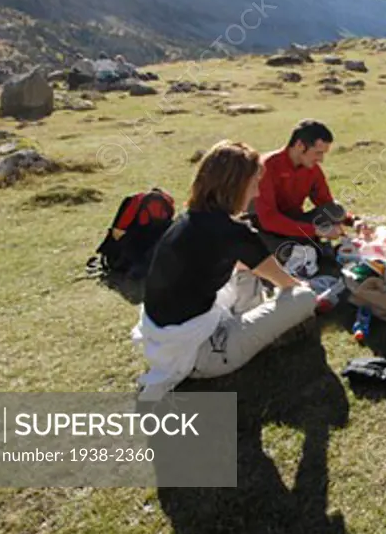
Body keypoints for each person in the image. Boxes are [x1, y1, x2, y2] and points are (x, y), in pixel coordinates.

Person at [132, 140, 317, 401]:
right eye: (254, 184)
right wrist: (301, 287)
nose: (255, 194)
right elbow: (288, 284)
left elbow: (243, 266)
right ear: (236, 185)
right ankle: (263, 332)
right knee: (305, 297)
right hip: (202, 355)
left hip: (164, 342)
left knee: (248, 271)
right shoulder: (235, 233)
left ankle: (250, 321)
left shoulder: (186, 220)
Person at [252, 119, 355, 261]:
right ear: (300, 145)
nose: (321, 159)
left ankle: (306, 249)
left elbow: (326, 203)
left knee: (335, 210)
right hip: (264, 228)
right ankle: (305, 249)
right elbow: (269, 219)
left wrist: (353, 221)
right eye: (318, 153)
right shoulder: (266, 167)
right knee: (272, 247)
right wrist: (317, 231)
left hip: (296, 223)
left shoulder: (312, 169)